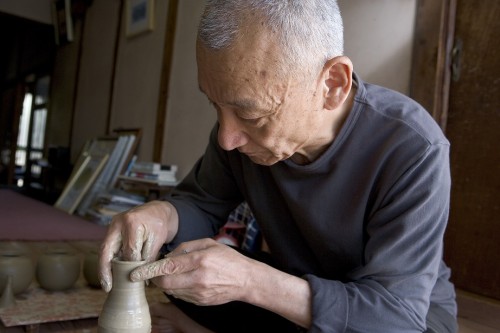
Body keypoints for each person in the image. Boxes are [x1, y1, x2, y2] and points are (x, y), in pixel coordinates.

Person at [99, 1, 458, 332]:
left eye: (250, 114)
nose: (227, 138)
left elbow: (396, 314)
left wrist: (252, 281)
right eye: (215, 105)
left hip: (401, 316)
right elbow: (200, 203)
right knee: (189, 275)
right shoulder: (236, 135)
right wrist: (161, 215)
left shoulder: (412, 146)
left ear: (332, 84)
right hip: (303, 289)